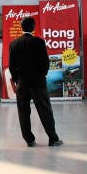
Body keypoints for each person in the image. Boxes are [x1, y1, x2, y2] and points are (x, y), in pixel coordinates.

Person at [8, 17, 63, 148]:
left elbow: (11, 66)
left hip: (22, 82)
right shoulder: (39, 42)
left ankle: (29, 140)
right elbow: (45, 63)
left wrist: (17, 79)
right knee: (45, 110)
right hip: (38, 82)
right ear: (33, 28)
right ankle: (53, 139)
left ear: (21, 28)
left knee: (23, 111)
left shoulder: (14, 44)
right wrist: (41, 75)